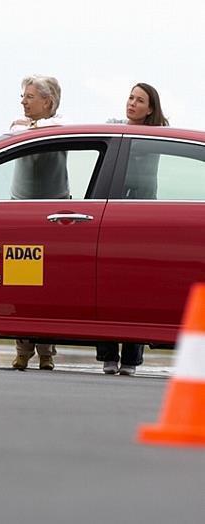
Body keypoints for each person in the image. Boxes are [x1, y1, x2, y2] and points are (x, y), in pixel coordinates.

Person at [97, 82, 169, 376]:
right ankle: (108, 355)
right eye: (130, 97)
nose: (132, 103)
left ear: (150, 108)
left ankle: (130, 359)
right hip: (112, 212)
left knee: (135, 286)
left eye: (140, 100)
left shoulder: (158, 132)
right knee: (106, 283)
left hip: (141, 215)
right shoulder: (115, 127)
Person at [9, 75, 67, 371]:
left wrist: (31, 126)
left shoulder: (60, 127)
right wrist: (27, 125)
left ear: (48, 102)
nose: (23, 101)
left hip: (52, 217)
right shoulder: (17, 126)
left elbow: (48, 131)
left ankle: (46, 350)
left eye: (30, 96)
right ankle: (23, 347)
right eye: (24, 95)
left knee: (46, 287)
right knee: (20, 284)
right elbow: (16, 131)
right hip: (21, 214)